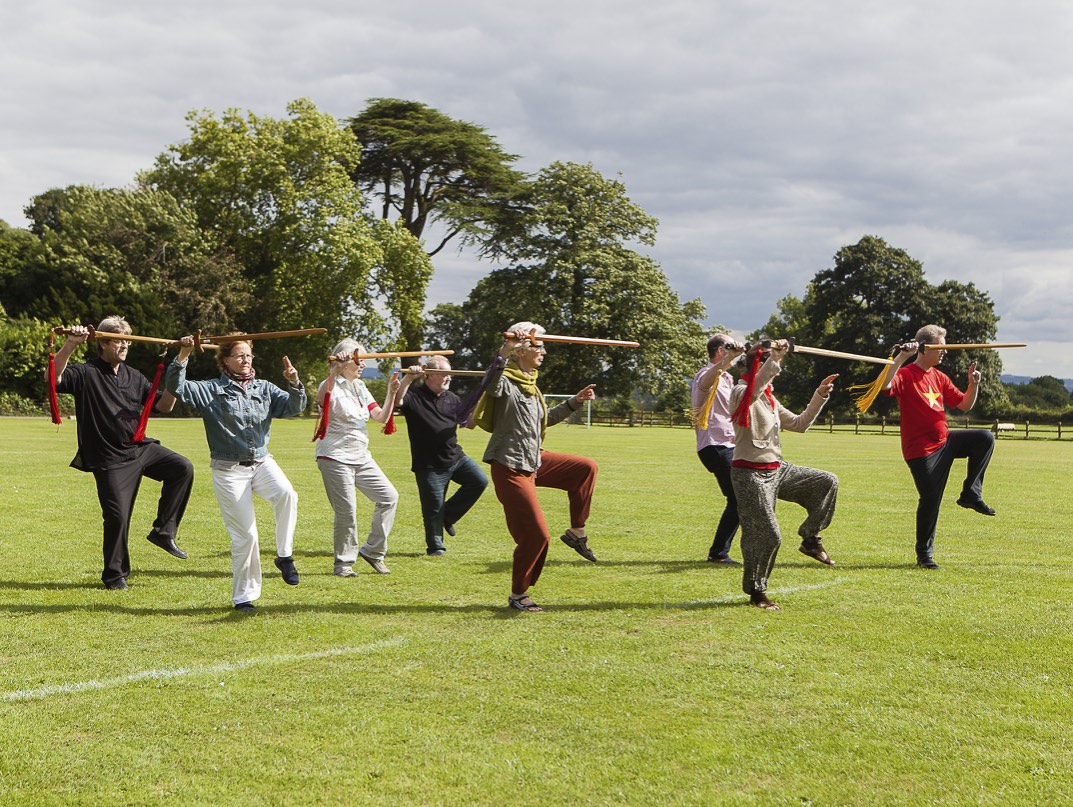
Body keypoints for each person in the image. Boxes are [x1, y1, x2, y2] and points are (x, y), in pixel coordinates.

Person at [49, 317, 194, 590]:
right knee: (117, 517)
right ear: (102, 343)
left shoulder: (134, 375)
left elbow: (164, 405)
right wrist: (70, 344)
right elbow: (53, 378)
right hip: (109, 458)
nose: (125, 344)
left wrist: (182, 359)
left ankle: (164, 532)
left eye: (128, 339)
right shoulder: (86, 372)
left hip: (140, 449)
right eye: (119, 339)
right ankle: (115, 576)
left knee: (182, 468)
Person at [166, 335, 306, 611]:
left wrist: (294, 383)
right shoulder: (211, 390)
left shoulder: (264, 388)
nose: (246, 361)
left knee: (287, 494)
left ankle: (284, 556)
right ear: (225, 360)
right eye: (240, 356)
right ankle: (244, 597)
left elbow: (294, 408)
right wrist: (183, 355)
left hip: (262, 463)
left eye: (249, 356)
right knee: (246, 536)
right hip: (229, 470)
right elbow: (177, 387)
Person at [472, 322, 598, 613]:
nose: (544, 351)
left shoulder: (531, 384)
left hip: (534, 460)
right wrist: (505, 350)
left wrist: (575, 402)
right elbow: (491, 381)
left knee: (585, 468)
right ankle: (518, 594)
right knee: (537, 535)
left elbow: (545, 420)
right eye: (538, 346)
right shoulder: (506, 380)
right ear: (522, 351)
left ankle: (576, 532)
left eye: (543, 345)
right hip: (510, 467)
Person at [729, 338, 839, 611]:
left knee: (826, 481)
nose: (777, 369)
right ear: (759, 365)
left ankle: (810, 538)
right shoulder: (741, 393)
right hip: (750, 475)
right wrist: (775, 360)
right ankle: (757, 591)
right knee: (767, 535)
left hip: (777, 469)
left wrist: (820, 395)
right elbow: (754, 388)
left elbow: (800, 424)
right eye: (768, 363)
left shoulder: (769, 398)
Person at [879, 325, 995, 570]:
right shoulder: (907, 373)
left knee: (984, 438)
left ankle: (970, 494)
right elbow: (884, 386)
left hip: (945, 442)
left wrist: (973, 385)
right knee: (931, 500)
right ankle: (924, 555)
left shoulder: (939, 377)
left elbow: (964, 405)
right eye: (940, 347)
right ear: (924, 348)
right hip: (921, 451)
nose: (944, 352)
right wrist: (900, 357)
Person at [314, 339, 401, 577]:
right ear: (344, 362)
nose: (362, 365)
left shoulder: (360, 386)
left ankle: (373, 551)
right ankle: (343, 563)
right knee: (347, 512)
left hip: (361, 457)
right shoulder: (330, 383)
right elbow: (322, 400)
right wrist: (333, 372)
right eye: (358, 360)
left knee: (389, 497)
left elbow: (381, 417)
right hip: (334, 456)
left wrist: (393, 393)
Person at [395, 356, 488, 556]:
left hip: (456, 458)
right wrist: (408, 378)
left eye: (450, 374)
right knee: (432, 509)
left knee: (479, 481)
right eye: (444, 374)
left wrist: (482, 396)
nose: (448, 378)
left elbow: (469, 424)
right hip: (428, 465)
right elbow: (397, 400)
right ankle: (436, 547)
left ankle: (448, 516)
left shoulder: (452, 399)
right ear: (430, 375)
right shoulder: (414, 396)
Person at [691, 333, 746, 564]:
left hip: (729, 444)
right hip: (715, 446)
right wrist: (725, 362)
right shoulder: (707, 374)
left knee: (741, 498)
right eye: (730, 346)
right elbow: (707, 381)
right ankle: (718, 553)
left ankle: (720, 552)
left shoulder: (728, 379)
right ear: (721, 351)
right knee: (739, 498)